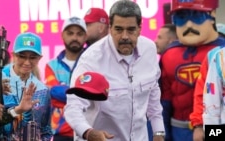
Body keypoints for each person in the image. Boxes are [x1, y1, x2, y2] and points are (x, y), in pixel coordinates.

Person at [64, 1, 165, 141]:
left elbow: (153, 93)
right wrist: (88, 133)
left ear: (140, 28)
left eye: (131, 30)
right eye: (118, 29)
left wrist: (158, 132)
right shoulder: (92, 59)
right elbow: (73, 107)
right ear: (110, 28)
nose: (124, 36)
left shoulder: (149, 49)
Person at [160, 0, 225, 141]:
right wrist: (162, 133)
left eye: (197, 16)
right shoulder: (169, 55)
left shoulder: (221, 53)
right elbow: (163, 101)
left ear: (212, 14)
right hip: (178, 129)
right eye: (181, 17)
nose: (189, 24)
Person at [0, 32, 52, 140]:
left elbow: (46, 130)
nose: (27, 62)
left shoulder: (42, 90)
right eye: (22, 56)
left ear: (39, 58)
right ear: (13, 54)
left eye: (33, 57)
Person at [45, 16, 86, 141]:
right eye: (70, 33)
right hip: (61, 132)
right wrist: (81, 92)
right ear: (62, 35)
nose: (74, 37)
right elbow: (52, 93)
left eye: (79, 34)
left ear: (85, 37)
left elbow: (91, 95)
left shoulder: (92, 62)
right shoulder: (52, 65)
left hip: (87, 130)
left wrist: (60, 92)